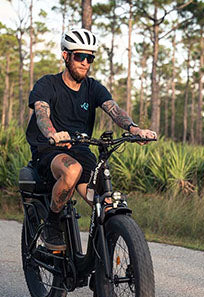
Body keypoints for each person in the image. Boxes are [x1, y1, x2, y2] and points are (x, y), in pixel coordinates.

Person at [25, 28, 157, 251]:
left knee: (104, 203)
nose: (85, 62)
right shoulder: (47, 84)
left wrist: (134, 129)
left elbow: (113, 110)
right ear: (66, 56)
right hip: (49, 151)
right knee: (72, 171)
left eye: (90, 58)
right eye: (80, 56)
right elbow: (41, 113)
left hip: (82, 151)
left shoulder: (93, 87)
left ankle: (102, 263)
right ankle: (52, 222)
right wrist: (52, 133)